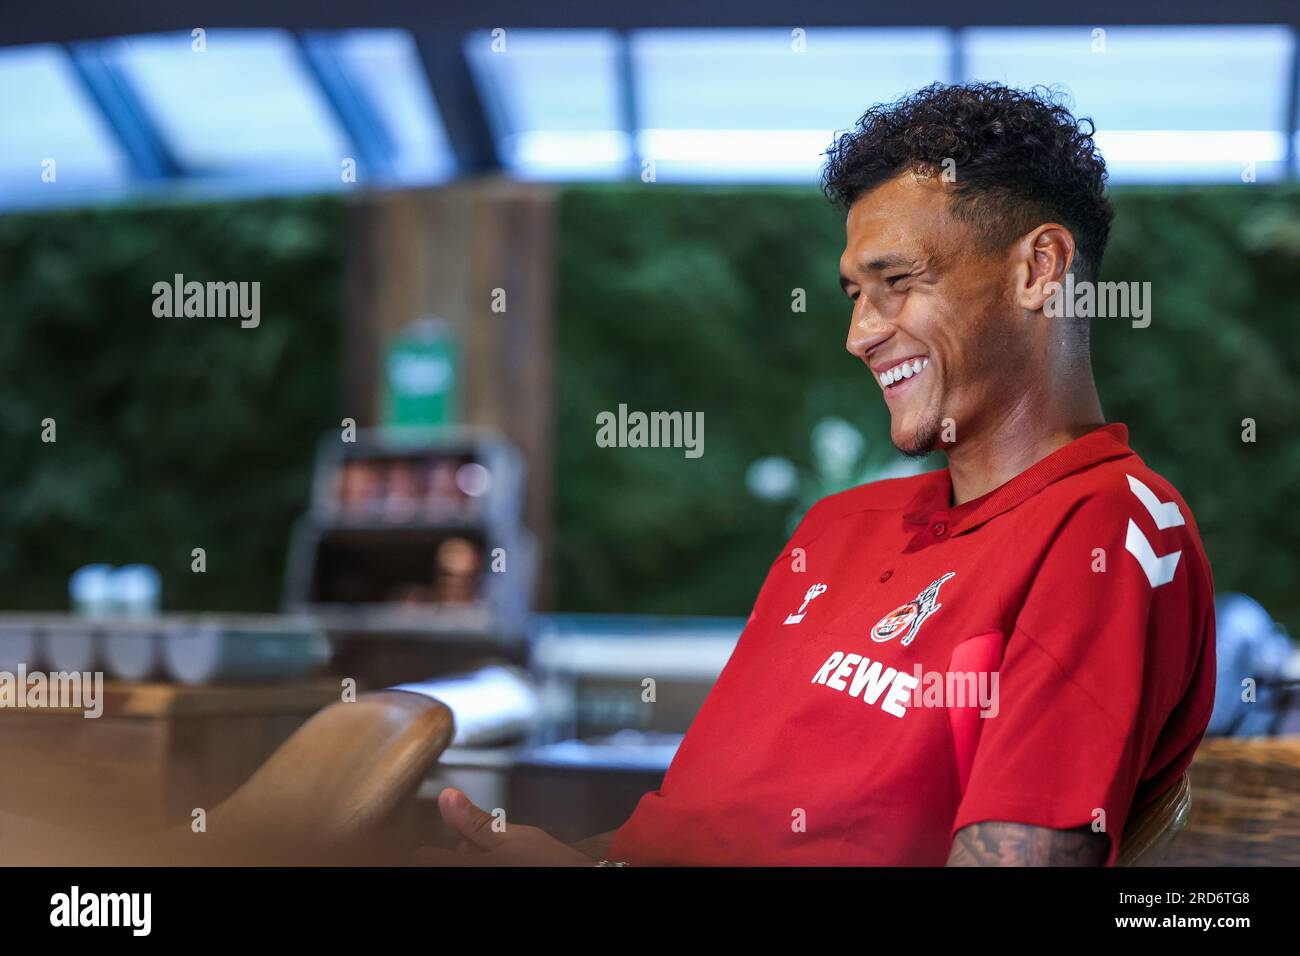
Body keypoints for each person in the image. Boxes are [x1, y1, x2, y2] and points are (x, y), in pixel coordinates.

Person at [420, 82, 1217, 866]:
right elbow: (699, 830)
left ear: (1040, 268)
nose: (859, 334)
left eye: (897, 282)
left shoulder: (1110, 528)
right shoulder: (839, 527)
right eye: (854, 294)